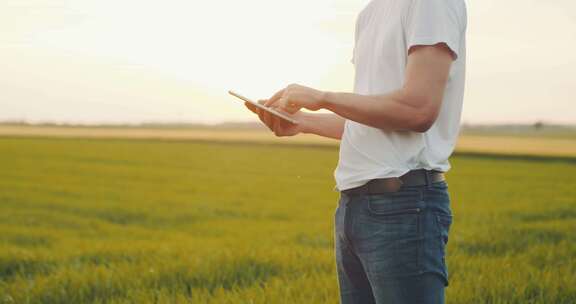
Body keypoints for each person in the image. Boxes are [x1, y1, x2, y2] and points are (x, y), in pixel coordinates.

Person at [244, 0, 467, 302]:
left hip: (404, 206)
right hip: (353, 207)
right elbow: (371, 120)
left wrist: (323, 97)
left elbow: (418, 109)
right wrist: (303, 122)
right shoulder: (370, 12)